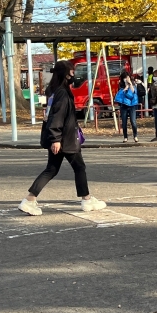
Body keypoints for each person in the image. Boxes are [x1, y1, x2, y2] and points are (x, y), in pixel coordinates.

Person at [19, 60, 106, 216]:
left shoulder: (54, 91)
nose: (74, 75)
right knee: (78, 167)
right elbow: (57, 117)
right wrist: (56, 139)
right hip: (65, 139)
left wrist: (55, 137)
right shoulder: (63, 94)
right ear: (66, 74)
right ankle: (86, 200)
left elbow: (50, 116)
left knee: (52, 169)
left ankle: (30, 200)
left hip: (61, 138)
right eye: (72, 72)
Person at [114, 73, 140, 143]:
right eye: (125, 78)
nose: (126, 79)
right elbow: (120, 94)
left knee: (133, 122)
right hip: (124, 106)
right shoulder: (121, 86)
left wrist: (130, 84)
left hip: (132, 106)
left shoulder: (133, 84)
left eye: (127, 77)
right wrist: (125, 87)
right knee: (124, 123)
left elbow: (133, 92)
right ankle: (125, 137)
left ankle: (135, 136)